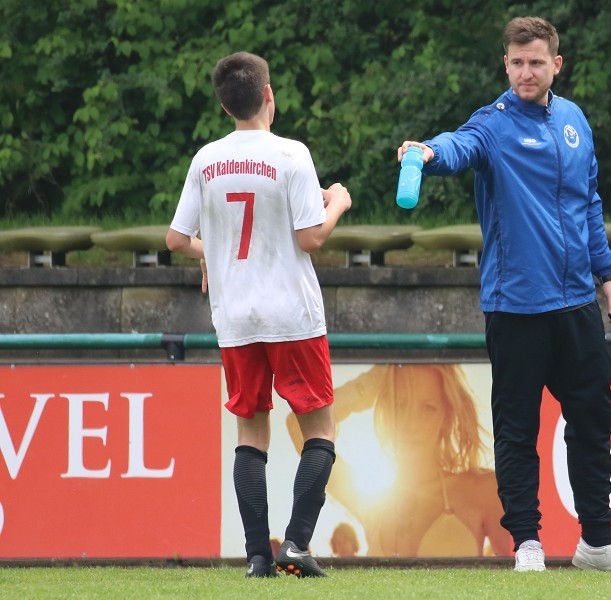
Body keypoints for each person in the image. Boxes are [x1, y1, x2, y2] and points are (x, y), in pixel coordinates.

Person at [397, 17, 611, 572]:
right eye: (516, 63)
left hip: (576, 303)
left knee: (592, 420)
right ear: (505, 64)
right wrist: (427, 153)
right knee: (517, 431)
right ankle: (528, 545)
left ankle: (598, 543)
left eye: (536, 62)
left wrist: (607, 275)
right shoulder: (493, 124)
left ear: (556, 64)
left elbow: (588, 200)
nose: (526, 72)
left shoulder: (573, 119)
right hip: (515, 306)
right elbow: (458, 146)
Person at [166, 51, 352, 579]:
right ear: (269, 95)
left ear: (226, 107)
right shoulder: (292, 154)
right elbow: (310, 236)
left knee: (251, 431)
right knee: (320, 427)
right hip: (292, 315)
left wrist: (215, 253)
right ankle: (294, 543)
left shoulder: (207, 160)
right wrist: (337, 201)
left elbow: (177, 238)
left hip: (237, 319)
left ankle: (255, 557)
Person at [286, 364, 511, 557]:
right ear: (387, 411)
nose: (410, 424)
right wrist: (372, 383)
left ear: (446, 417)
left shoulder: (482, 490)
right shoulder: (372, 504)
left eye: (427, 408)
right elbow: (300, 424)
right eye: (400, 405)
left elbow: (515, 584)